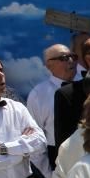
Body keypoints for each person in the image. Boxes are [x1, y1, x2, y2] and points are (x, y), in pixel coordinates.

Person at [27, 43, 76, 171]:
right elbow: (35, 136)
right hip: (57, 157)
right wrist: (48, 174)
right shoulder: (38, 94)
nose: (71, 61)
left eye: (72, 57)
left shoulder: (86, 85)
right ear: (49, 65)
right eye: (64, 58)